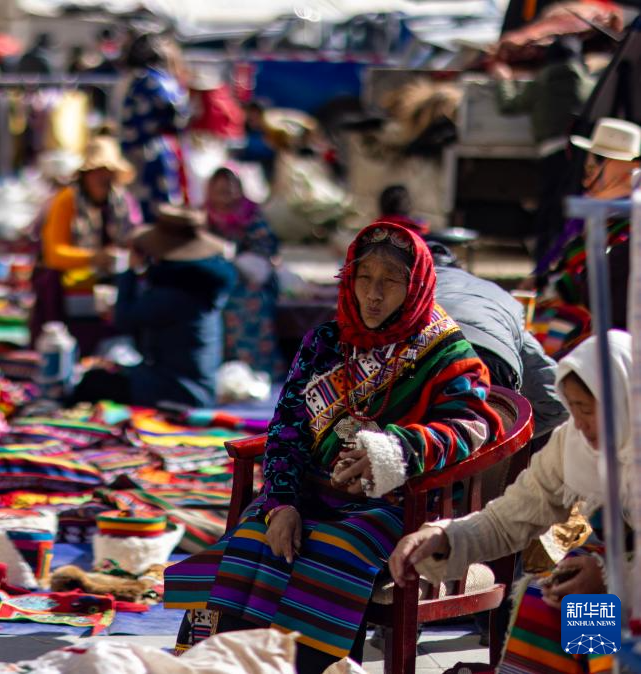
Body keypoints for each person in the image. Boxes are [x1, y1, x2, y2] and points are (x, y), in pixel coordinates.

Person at [163, 222, 502, 673]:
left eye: (390, 281)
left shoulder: (447, 355)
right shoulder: (326, 342)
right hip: (313, 491)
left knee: (332, 552)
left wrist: (394, 450)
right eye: (364, 278)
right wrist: (281, 503)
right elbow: (286, 427)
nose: (373, 295)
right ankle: (216, 666)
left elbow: (470, 427)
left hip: (397, 504)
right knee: (251, 541)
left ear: (416, 286)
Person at [390, 331, 633, 674]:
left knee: (594, 610)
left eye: (587, 410)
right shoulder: (573, 443)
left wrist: (612, 579)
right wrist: (445, 537)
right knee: (552, 603)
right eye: (573, 408)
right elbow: (513, 515)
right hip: (612, 567)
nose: (578, 423)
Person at [72, 206, 236, 408]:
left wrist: (129, 271)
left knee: (92, 383)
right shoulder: (201, 284)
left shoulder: (177, 291)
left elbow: (123, 319)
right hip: (194, 386)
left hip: (179, 390)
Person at [431, 244, 567, 438]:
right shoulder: (496, 292)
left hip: (434, 353)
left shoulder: (409, 286)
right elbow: (554, 401)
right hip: (495, 357)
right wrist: (511, 436)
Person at [533, 118, 639, 354]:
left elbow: (584, 284)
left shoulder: (627, 220)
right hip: (592, 314)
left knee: (546, 325)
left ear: (625, 171)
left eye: (593, 168)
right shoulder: (602, 213)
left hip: (605, 326)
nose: (586, 178)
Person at [30, 135, 141, 356]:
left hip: (108, 289)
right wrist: (93, 258)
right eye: (97, 171)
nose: (103, 178)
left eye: (108, 172)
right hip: (66, 292)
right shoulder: (66, 200)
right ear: (85, 174)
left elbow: (135, 238)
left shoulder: (123, 201)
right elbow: (53, 253)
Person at [490, 37, 594, 264]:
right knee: (574, 210)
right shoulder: (589, 84)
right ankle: (571, 262)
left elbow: (509, 105)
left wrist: (503, 80)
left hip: (550, 152)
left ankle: (543, 262)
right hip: (581, 154)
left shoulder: (540, 84)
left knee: (548, 210)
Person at [205, 167, 281, 376]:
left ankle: (257, 370)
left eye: (230, 190)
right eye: (220, 191)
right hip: (211, 280)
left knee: (248, 303)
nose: (225, 195)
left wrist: (234, 260)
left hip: (248, 282)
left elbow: (265, 250)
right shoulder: (202, 217)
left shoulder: (252, 216)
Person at [120, 32, 189, 221]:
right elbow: (179, 116)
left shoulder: (135, 81)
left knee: (139, 208)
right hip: (152, 152)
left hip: (134, 151)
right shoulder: (159, 81)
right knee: (158, 210)